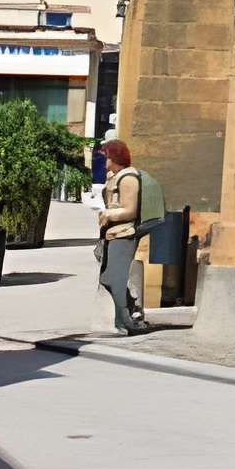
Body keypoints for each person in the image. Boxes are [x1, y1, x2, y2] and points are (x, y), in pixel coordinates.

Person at [96, 138, 162, 334]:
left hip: (124, 234)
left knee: (115, 280)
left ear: (114, 157)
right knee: (108, 279)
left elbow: (130, 210)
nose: (104, 160)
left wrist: (109, 214)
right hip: (112, 234)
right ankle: (127, 315)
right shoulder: (115, 177)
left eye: (106, 156)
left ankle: (128, 319)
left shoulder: (128, 178)